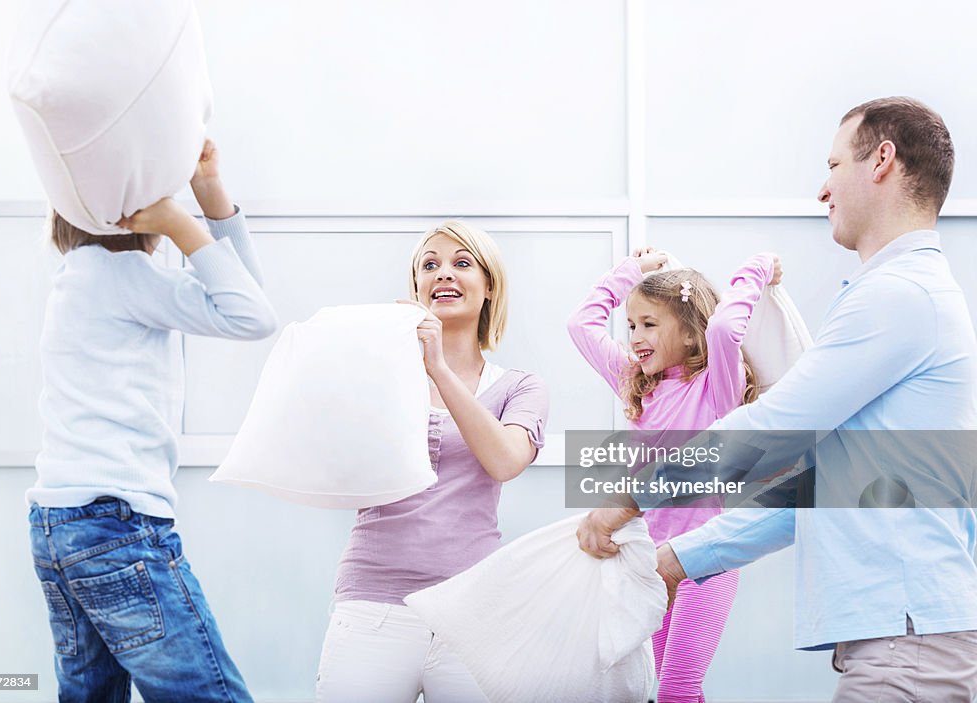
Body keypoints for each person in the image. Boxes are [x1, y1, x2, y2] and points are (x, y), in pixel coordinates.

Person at [579, 97, 977, 701]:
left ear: (882, 162)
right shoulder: (897, 295)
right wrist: (677, 559)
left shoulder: (898, 296)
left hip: (906, 641)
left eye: (835, 163)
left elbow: (772, 429)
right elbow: (816, 492)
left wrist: (629, 497)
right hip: (898, 636)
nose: (824, 188)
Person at [27, 140, 275, 702]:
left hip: (58, 522)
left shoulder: (80, 276)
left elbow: (245, 296)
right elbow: (254, 314)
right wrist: (186, 224)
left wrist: (210, 195)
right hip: (115, 525)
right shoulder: (125, 276)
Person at [315, 221, 549, 703]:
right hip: (372, 605)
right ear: (418, 288)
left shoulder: (521, 387)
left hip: (472, 611)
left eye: (462, 263)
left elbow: (505, 460)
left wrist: (438, 369)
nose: (443, 273)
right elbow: (342, 464)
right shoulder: (382, 377)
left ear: (489, 289)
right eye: (430, 265)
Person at [569, 246, 781, 702]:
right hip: (651, 563)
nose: (635, 336)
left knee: (678, 688)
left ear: (689, 335)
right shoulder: (635, 383)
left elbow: (724, 329)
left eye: (649, 324)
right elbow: (581, 325)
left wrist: (759, 267)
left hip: (707, 561)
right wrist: (632, 271)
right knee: (663, 685)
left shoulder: (715, 388)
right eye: (630, 325)